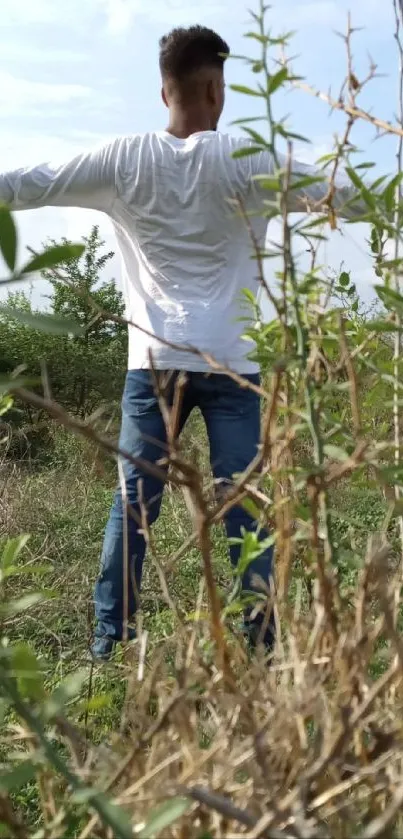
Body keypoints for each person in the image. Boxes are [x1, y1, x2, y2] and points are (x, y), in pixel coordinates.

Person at [0, 26, 359, 661]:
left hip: (155, 365)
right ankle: (265, 646)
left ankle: (111, 647)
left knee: (134, 508)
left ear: (163, 88)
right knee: (243, 510)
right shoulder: (249, 158)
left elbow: (31, 182)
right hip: (233, 365)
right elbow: (345, 193)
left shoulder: (122, 158)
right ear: (217, 90)